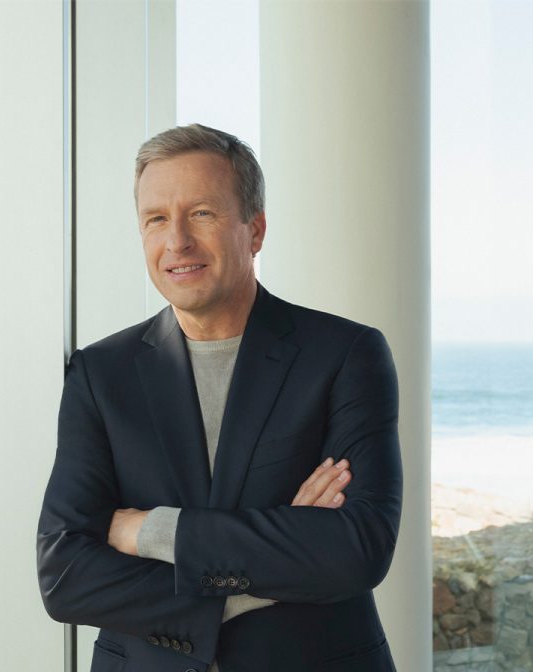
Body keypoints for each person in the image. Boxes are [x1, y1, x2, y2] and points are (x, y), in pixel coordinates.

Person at [35, 123, 402, 671]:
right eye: (156, 219)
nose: (176, 241)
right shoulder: (101, 373)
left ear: (254, 230)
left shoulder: (346, 354)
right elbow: (65, 576)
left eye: (201, 213)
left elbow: (356, 550)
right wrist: (283, 554)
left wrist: (149, 531)